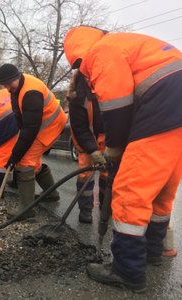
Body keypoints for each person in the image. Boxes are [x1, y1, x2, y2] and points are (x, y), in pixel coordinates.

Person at [64, 26, 182, 292]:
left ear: (78, 56)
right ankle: (152, 253)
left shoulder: (100, 53)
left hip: (163, 102)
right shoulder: (125, 44)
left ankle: (127, 270)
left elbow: (117, 104)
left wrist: (114, 150)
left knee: (129, 191)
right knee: (162, 187)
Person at [0, 63, 67, 220]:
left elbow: (31, 130)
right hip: (41, 125)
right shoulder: (17, 88)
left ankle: (26, 210)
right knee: (31, 160)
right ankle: (51, 194)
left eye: (9, 84)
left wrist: (15, 156)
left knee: (25, 162)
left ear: (17, 77)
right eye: (5, 85)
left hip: (51, 126)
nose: (7, 88)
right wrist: (19, 138)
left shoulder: (31, 93)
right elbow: (21, 118)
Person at [67, 70, 107, 224]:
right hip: (86, 140)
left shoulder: (110, 89)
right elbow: (80, 128)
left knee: (108, 174)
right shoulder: (77, 97)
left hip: (106, 138)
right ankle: (85, 210)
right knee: (85, 176)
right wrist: (92, 150)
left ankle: (105, 207)